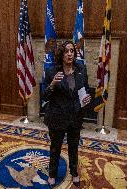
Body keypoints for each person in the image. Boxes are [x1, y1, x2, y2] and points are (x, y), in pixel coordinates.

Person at [43, 40, 91, 187]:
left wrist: (87, 98)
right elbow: (45, 96)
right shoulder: (52, 72)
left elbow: (85, 89)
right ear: (61, 54)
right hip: (57, 117)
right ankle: (52, 174)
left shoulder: (81, 69)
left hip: (75, 117)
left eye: (72, 51)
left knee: (73, 147)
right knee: (55, 148)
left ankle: (74, 172)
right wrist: (52, 85)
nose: (70, 54)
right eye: (66, 51)